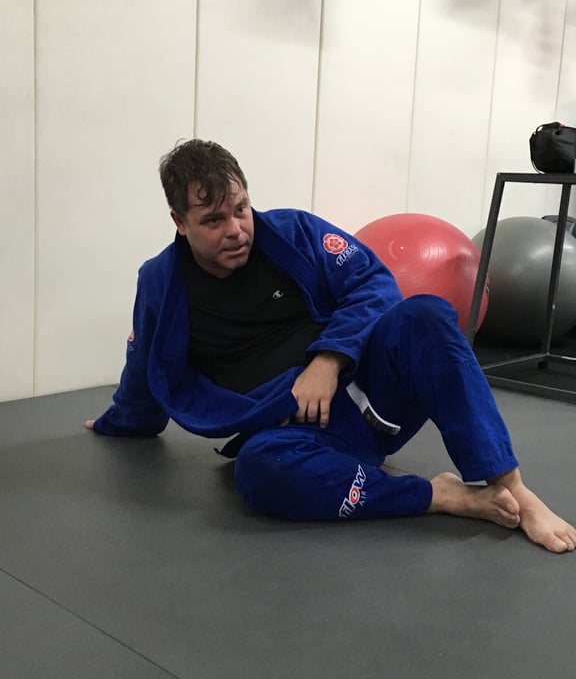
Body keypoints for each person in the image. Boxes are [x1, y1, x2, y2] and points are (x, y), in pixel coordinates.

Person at [86, 139, 576, 554]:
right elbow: (146, 364)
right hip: (291, 437)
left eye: (240, 210)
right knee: (258, 473)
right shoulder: (161, 283)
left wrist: (329, 359)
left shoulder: (294, 233)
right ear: (179, 221)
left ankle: (513, 489)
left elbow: (375, 284)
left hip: (366, 395)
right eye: (213, 220)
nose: (235, 230)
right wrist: (120, 421)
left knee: (425, 315)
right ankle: (442, 496)